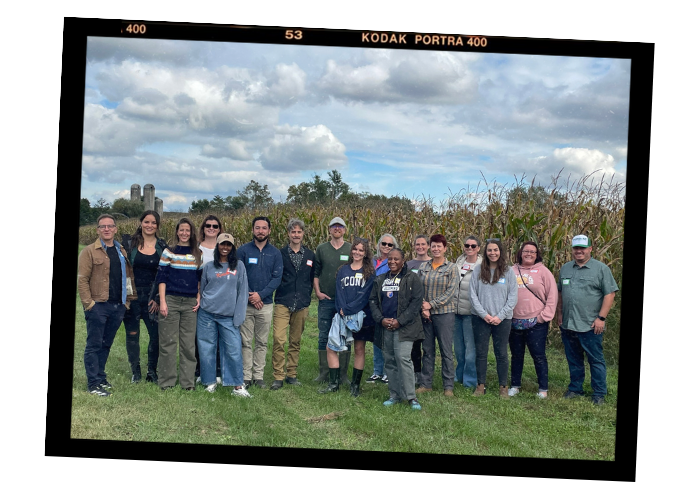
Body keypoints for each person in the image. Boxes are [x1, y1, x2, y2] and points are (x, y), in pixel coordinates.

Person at [78, 214, 137, 396]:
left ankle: (101, 377)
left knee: (106, 344)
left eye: (110, 226)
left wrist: (126, 301)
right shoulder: (89, 251)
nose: (106, 229)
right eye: (102, 226)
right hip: (99, 305)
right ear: (97, 230)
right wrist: (90, 304)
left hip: (117, 305)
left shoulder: (121, 250)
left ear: (115, 229)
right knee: (94, 344)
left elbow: (126, 277)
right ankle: (93, 384)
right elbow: (82, 280)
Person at [556, 234, 618, 405]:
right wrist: (559, 314)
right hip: (569, 323)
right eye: (576, 248)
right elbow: (560, 292)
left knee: (595, 360)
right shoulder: (566, 269)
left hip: (591, 324)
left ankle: (599, 393)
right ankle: (575, 388)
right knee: (573, 358)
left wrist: (601, 318)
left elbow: (610, 293)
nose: (579, 251)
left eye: (583, 248)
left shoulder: (600, 269)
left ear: (590, 248)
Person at [197, 233, 251, 398]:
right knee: (207, 348)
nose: (225, 248)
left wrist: (239, 316)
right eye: (222, 244)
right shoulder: (209, 267)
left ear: (232, 247)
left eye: (228, 245)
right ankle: (209, 381)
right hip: (207, 314)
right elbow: (203, 288)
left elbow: (243, 292)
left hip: (228, 316)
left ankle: (237, 385)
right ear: (217, 246)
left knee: (234, 349)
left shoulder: (239, 266)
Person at [369, 248, 425, 410]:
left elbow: (416, 303)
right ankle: (394, 395)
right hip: (385, 326)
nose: (392, 262)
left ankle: (411, 397)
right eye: (390, 259)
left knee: (403, 358)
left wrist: (400, 321)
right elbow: (373, 300)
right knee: (390, 360)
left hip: (405, 327)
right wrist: (381, 319)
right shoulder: (380, 279)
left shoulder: (412, 278)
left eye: (396, 259)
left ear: (403, 261)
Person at [320, 238, 375, 396]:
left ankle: (355, 386)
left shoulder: (369, 272)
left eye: (361, 250)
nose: (357, 252)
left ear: (365, 253)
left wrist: (349, 309)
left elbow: (364, 296)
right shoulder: (343, 270)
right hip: (342, 314)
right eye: (355, 249)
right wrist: (341, 308)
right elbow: (339, 292)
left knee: (359, 349)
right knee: (331, 347)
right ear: (351, 251)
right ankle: (333, 383)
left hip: (360, 316)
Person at [237, 216, 283, 389]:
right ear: (252, 230)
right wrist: (250, 296)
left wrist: (261, 295)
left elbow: (277, 278)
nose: (261, 231)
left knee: (262, 342)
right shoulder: (243, 251)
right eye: (257, 228)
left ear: (269, 231)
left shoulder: (275, 253)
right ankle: (246, 376)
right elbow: (239, 275)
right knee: (246, 341)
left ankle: (259, 376)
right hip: (246, 304)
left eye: (264, 228)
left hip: (265, 305)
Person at [156, 217, 202, 390]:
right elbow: (162, 277)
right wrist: (162, 301)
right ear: (177, 232)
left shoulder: (198, 253)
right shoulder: (169, 251)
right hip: (171, 301)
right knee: (168, 343)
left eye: (187, 230)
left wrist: (198, 297)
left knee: (188, 344)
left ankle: (187, 383)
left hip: (190, 303)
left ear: (192, 233)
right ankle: (166, 382)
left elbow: (199, 279)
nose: (184, 233)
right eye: (181, 230)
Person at [469, 239, 518, 398]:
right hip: (480, 319)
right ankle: (480, 385)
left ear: (500, 251)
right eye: (489, 250)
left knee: (501, 353)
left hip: (502, 320)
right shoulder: (478, 270)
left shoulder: (508, 271)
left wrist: (500, 316)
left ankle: (503, 386)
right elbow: (472, 295)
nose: (493, 253)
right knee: (481, 352)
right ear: (485, 252)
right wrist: (485, 315)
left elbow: (513, 297)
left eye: (495, 250)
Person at [123, 210, 168, 384]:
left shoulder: (162, 247)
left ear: (158, 225)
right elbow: (122, 271)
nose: (150, 226)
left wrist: (157, 298)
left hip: (152, 297)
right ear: (141, 223)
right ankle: (136, 372)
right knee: (132, 334)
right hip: (132, 296)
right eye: (146, 222)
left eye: (153, 223)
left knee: (155, 336)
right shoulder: (129, 244)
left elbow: (164, 274)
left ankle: (152, 371)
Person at [508, 241, 558, 399]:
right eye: (525, 251)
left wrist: (544, 317)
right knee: (516, 355)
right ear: (520, 253)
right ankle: (515, 385)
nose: (529, 254)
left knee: (538, 355)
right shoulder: (511, 270)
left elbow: (552, 295)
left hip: (536, 322)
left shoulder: (543, 271)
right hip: (514, 320)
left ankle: (543, 388)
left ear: (537, 255)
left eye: (532, 252)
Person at [270, 219, 315, 390]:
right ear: (288, 234)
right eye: (293, 232)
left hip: (302, 302)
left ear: (303, 234)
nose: (296, 235)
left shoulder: (310, 255)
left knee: (295, 341)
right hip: (283, 301)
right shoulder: (279, 254)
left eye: (299, 232)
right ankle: (278, 376)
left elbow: (312, 278)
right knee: (279, 339)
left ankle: (291, 374)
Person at [416, 234, 459, 397]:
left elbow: (451, 292)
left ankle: (448, 385)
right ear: (429, 247)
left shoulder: (451, 268)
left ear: (445, 248)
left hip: (444, 314)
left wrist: (431, 304)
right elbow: (418, 289)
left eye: (439, 246)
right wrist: (423, 306)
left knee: (446, 350)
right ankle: (426, 383)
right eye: (433, 246)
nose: (435, 249)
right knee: (427, 349)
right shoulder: (424, 267)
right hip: (426, 315)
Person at [313, 216, 352, 384]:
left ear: (344, 230)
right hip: (326, 299)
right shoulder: (322, 249)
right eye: (334, 226)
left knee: (345, 336)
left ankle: (342, 374)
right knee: (324, 335)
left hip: (345, 302)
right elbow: (315, 273)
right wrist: (318, 292)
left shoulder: (351, 249)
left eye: (340, 226)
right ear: (329, 229)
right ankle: (324, 372)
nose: (337, 228)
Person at [195, 215, 224, 384]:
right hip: (200, 298)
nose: (211, 228)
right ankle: (201, 370)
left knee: (219, 336)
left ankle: (218, 371)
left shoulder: (223, 248)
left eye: (215, 225)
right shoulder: (197, 248)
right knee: (201, 337)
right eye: (208, 225)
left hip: (220, 299)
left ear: (220, 229)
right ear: (203, 228)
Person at [366, 233, 398, 384]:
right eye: (383, 243)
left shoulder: (394, 263)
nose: (386, 247)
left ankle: (387, 371)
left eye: (389, 245)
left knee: (387, 341)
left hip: (386, 305)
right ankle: (377, 371)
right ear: (379, 244)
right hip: (372, 305)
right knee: (376, 340)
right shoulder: (371, 261)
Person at [453, 235, 482, 389]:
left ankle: (470, 380)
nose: (469, 248)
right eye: (467, 245)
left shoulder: (482, 265)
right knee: (458, 348)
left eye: (473, 246)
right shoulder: (459, 263)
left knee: (471, 349)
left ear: (478, 248)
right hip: (456, 311)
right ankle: (459, 375)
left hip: (472, 313)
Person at [406, 234, 430, 385]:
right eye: (417, 244)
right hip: (413, 310)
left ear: (428, 246)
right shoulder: (408, 265)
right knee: (414, 345)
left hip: (429, 309)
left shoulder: (433, 263)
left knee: (427, 345)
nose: (420, 247)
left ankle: (427, 375)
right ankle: (415, 373)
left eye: (423, 244)